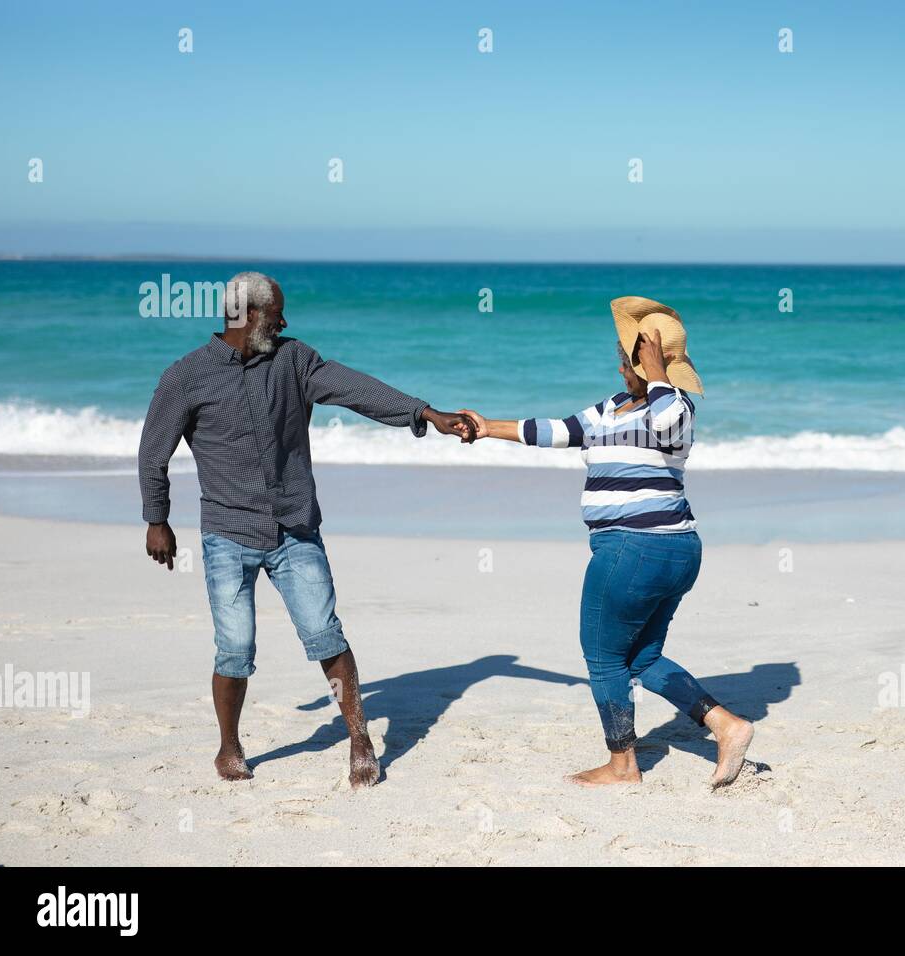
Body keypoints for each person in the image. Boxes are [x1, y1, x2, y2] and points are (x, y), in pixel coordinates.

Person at [138, 271, 475, 788]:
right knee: (236, 647)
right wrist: (156, 519)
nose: (284, 321)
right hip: (227, 530)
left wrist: (425, 413)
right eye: (276, 313)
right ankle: (229, 746)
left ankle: (360, 739)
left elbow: (357, 389)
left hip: (295, 526)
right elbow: (153, 453)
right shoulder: (185, 377)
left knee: (324, 634)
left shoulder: (294, 360)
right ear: (248, 315)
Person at [459, 296, 754, 788]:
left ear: (647, 361)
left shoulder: (675, 406)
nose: (619, 365)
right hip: (667, 549)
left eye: (626, 357)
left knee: (602, 657)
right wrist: (491, 428)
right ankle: (726, 725)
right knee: (641, 658)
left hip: (634, 549)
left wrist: (657, 370)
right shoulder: (614, 407)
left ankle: (622, 766)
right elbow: (558, 430)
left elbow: (665, 423)